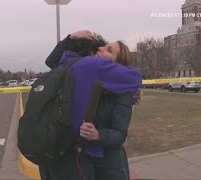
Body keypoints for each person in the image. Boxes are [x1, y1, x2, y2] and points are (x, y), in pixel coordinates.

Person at [40, 30, 142, 180]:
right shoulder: (88, 78)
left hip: (109, 166)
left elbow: (119, 136)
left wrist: (98, 134)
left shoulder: (123, 94)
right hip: (83, 162)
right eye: (103, 46)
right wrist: (71, 37)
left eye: (109, 50)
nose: (100, 49)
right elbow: (53, 62)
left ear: (117, 65)